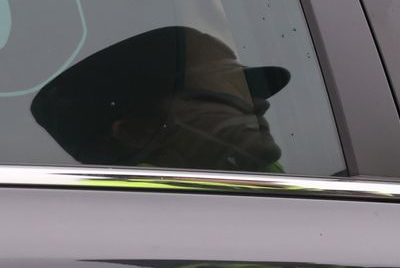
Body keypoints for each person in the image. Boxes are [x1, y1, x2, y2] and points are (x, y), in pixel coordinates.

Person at [31, 25, 289, 172]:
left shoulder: (268, 189)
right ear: (135, 130)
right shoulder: (140, 226)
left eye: (249, 90)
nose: (260, 104)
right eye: (227, 89)